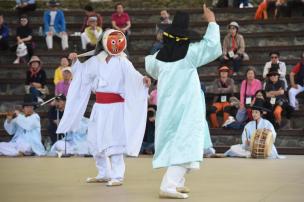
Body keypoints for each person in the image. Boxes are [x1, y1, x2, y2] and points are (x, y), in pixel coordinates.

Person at [145, 5, 222, 199]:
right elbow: (212, 46)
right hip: (187, 107)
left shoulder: (157, 58)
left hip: (168, 108)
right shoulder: (190, 54)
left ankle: (178, 182)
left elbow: (151, 69)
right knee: (186, 144)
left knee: (177, 143)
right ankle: (168, 185)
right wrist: (211, 21)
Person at [57, 29, 151, 186]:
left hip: (115, 107)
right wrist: (75, 62)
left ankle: (118, 175)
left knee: (114, 140)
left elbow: (135, 77)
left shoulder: (123, 61)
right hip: (99, 107)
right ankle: (104, 172)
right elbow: (83, 74)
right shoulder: (96, 60)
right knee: (94, 139)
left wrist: (143, 80)